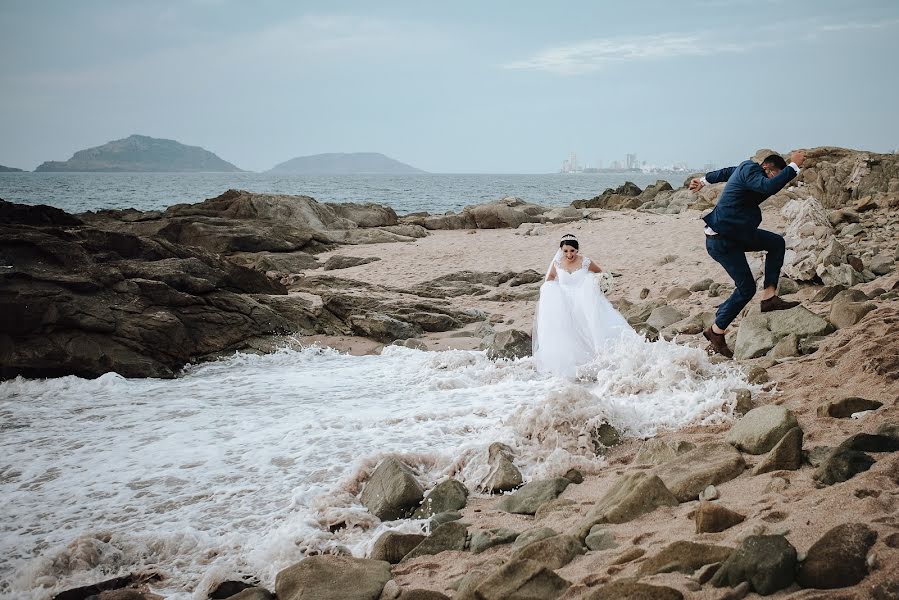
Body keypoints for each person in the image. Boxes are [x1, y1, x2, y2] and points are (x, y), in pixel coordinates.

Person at [689, 150, 806, 358]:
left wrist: (703, 180)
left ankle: (769, 299)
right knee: (746, 288)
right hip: (721, 240)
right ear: (766, 168)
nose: (776, 181)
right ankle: (716, 331)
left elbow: (726, 172)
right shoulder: (751, 169)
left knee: (776, 243)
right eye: (775, 175)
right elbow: (767, 186)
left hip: (736, 234)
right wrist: (793, 166)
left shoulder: (745, 171)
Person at [532, 234, 639, 378]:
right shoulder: (557, 263)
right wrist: (552, 288)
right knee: (568, 331)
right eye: (566, 251)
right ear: (561, 250)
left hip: (584, 301)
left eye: (572, 251)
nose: (569, 254)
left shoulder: (585, 262)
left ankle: (600, 359)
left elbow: (600, 273)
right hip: (564, 302)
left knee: (590, 328)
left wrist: (596, 285)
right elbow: (550, 278)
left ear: (577, 250)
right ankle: (574, 364)